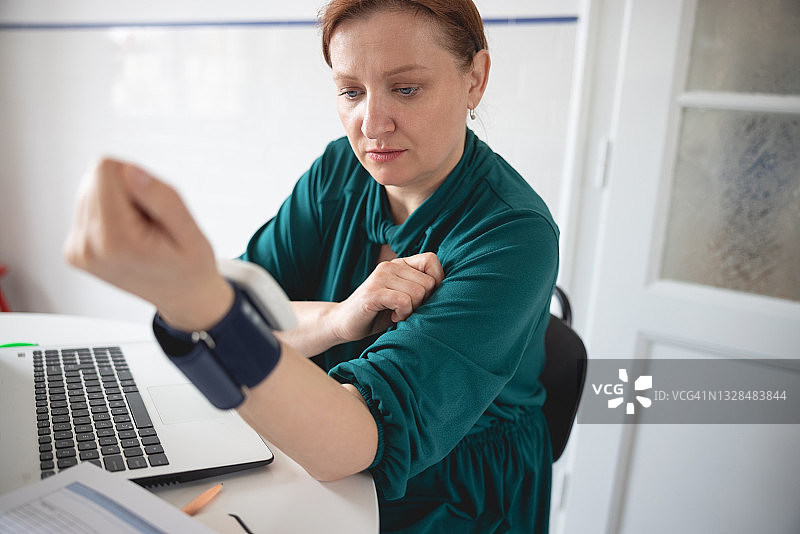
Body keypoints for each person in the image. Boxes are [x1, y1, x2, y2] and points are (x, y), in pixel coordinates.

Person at [64, 0, 559, 531]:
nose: (371, 123)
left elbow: (356, 441)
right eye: (351, 91)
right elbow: (252, 309)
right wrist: (335, 320)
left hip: (455, 489)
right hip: (320, 446)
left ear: (475, 80)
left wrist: (202, 304)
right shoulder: (340, 171)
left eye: (406, 88)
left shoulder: (512, 235)